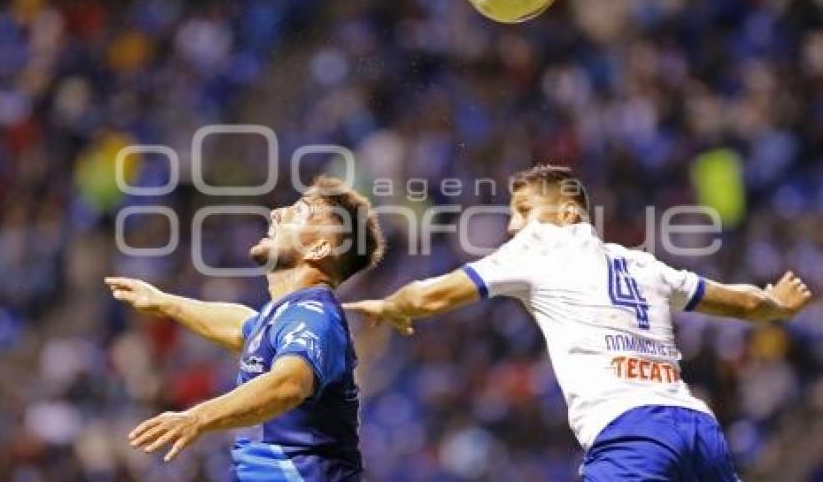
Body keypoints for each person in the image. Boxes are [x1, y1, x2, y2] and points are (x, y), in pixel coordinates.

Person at [345, 164, 813, 481]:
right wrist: (775, 304)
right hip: (697, 428)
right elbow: (741, 304)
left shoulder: (542, 246)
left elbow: (435, 293)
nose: (512, 226)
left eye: (524, 210)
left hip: (630, 431)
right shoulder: (643, 264)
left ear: (568, 212)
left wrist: (392, 305)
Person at [105, 176, 384, 481]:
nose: (278, 212)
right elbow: (243, 327)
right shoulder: (287, 315)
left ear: (318, 249)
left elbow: (289, 384)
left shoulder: (313, 315)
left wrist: (198, 417)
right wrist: (166, 303)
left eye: (300, 211)